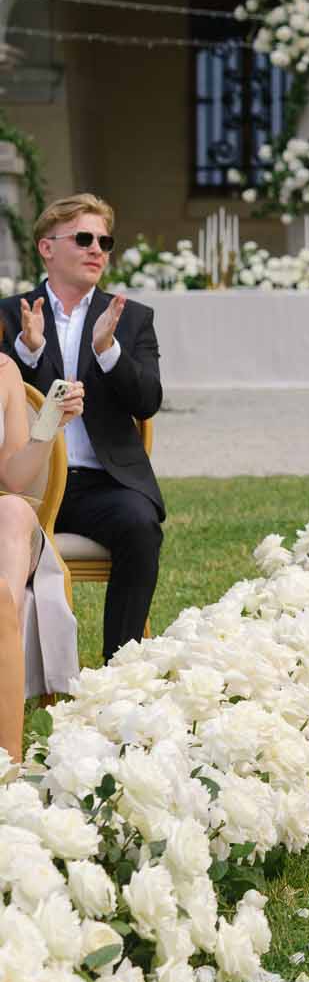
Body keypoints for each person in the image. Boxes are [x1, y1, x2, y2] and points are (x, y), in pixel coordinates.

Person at [0, 194, 165, 662]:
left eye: (105, 241)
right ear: (47, 248)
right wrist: (27, 355)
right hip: (24, 484)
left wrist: (109, 352)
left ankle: (119, 672)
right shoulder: (8, 314)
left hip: (101, 485)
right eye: (84, 238)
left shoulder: (131, 318)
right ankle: (21, 669)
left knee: (140, 526)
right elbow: (3, 402)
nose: (98, 249)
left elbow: (147, 401)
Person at [0, 348, 83, 758]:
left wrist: (50, 424)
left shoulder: (4, 370)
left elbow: (15, 478)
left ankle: (6, 757)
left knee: (14, 510)